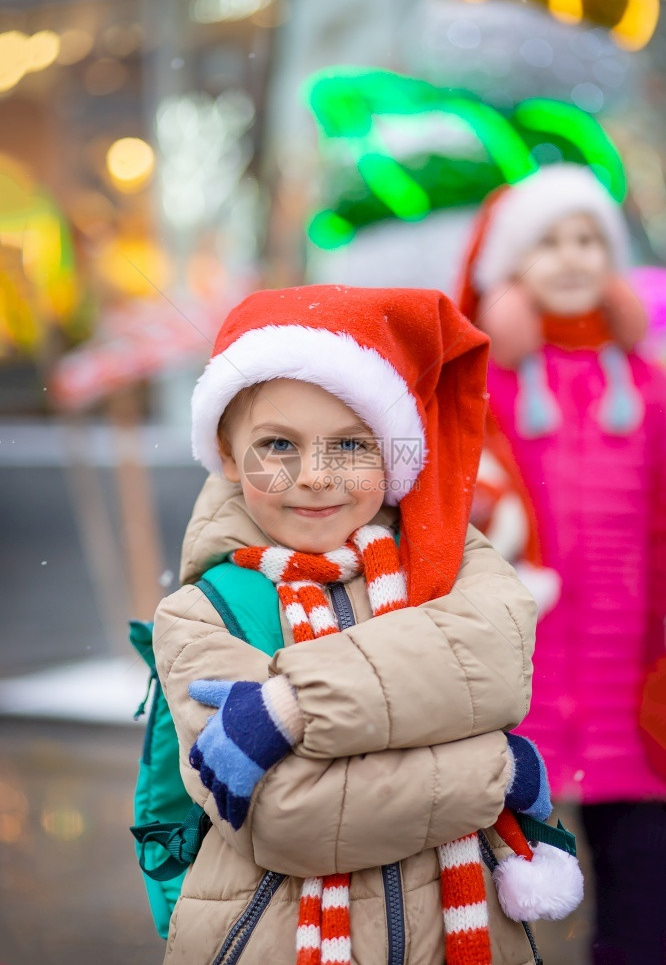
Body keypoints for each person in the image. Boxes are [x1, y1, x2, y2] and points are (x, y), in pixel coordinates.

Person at [153, 284, 565, 965]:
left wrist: (291, 705)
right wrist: (497, 768)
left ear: (394, 455)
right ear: (227, 455)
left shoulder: (446, 559)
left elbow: (497, 659)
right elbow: (291, 820)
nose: (314, 475)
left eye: (349, 446)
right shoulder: (204, 612)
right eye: (278, 444)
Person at [458, 164, 666, 965]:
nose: (573, 257)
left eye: (588, 240)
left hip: (632, 682)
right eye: (548, 242)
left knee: (643, 881)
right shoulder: (484, 390)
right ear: (511, 267)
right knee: (496, 888)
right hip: (521, 683)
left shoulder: (648, 385)